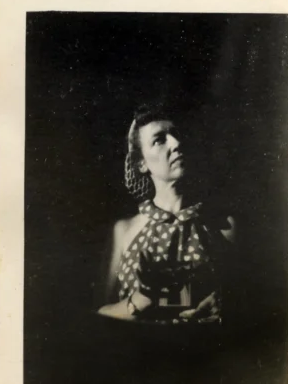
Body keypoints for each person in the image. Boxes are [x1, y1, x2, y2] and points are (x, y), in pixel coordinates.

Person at [97, 103, 236, 324]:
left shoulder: (222, 226)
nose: (176, 143)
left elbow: (255, 302)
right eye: (159, 140)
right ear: (142, 163)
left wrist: (226, 305)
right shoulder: (123, 231)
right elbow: (98, 314)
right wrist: (139, 301)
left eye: (177, 135)